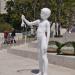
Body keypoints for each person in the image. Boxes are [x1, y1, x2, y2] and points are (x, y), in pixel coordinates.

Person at [22, 8, 51, 75]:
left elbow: (48, 33)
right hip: (39, 41)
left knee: (44, 56)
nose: (40, 14)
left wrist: (47, 43)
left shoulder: (47, 22)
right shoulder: (39, 21)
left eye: (42, 13)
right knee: (39, 57)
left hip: (43, 40)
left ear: (46, 15)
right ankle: (40, 71)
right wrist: (24, 19)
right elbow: (29, 23)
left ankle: (45, 73)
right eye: (40, 12)